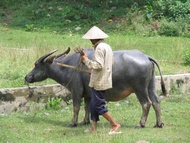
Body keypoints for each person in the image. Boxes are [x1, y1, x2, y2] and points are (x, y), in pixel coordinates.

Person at [80, 26, 121, 134]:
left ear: (93, 39)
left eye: (90, 39)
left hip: (99, 82)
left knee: (98, 105)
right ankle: (93, 128)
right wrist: (94, 72)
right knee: (93, 104)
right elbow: (110, 64)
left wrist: (86, 60)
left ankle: (114, 124)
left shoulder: (98, 48)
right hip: (103, 78)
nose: (90, 41)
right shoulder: (107, 46)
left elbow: (98, 65)